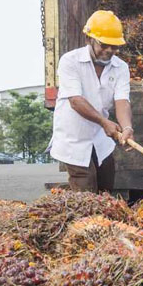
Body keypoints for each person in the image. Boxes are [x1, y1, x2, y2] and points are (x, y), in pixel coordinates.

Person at [49, 10, 134, 193]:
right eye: (104, 45)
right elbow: (75, 101)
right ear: (89, 39)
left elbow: (122, 101)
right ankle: (84, 221)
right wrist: (104, 122)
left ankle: (103, 221)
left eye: (114, 46)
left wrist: (127, 128)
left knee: (106, 187)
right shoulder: (70, 61)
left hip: (101, 138)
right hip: (75, 137)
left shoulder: (121, 67)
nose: (109, 50)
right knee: (86, 191)